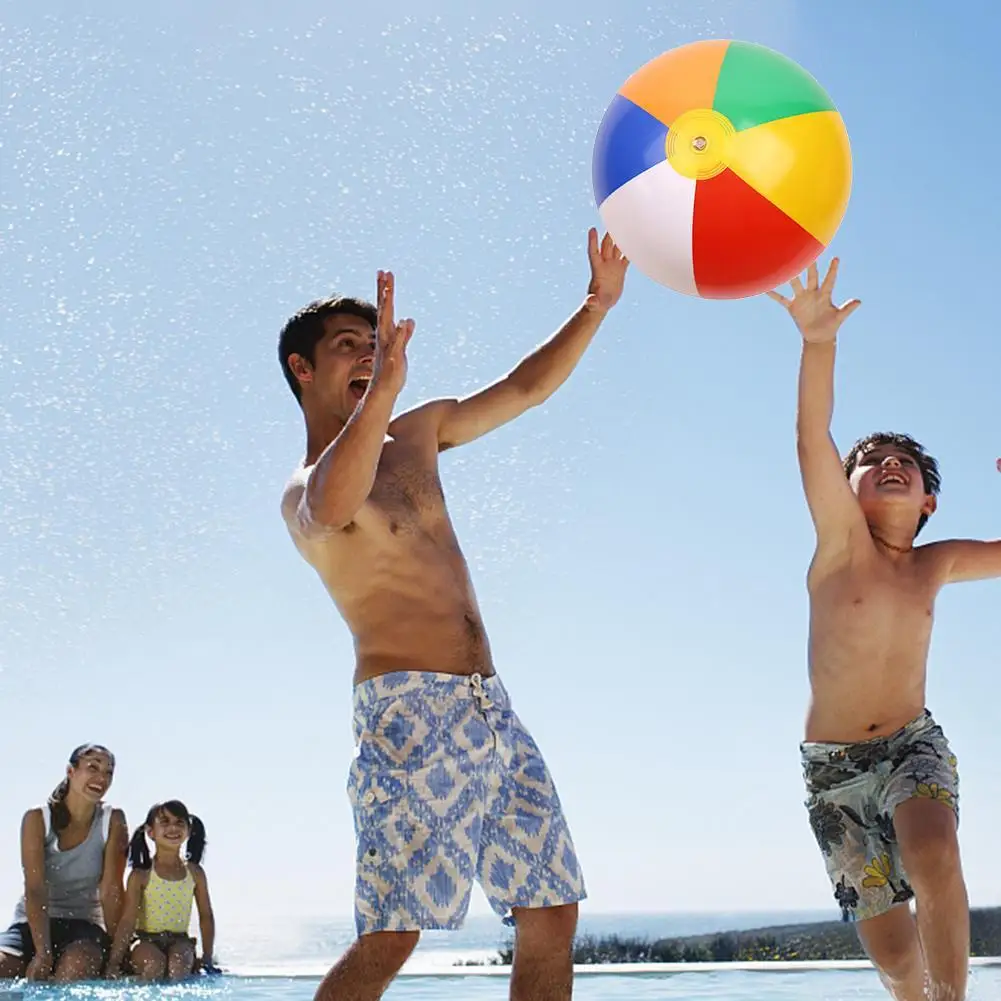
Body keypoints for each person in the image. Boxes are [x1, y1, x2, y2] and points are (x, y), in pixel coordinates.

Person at [278, 228, 628, 1001]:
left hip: (491, 707)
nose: (368, 352)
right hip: (407, 714)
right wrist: (381, 400)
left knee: (550, 908)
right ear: (303, 369)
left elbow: (525, 388)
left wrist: (594, 305)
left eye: (375, 340)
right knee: (393, 932)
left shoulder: (418, 433)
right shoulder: (306, 486)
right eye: (346, 344)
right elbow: (334, 505)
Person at [768, 259, 1001, 1001]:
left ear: (929, 500)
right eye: (871, 462)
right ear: (848, 489)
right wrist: (817, 342)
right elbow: (811, 432)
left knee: (934, 854)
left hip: (911, 745)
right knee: (895, 957)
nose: (889, 464)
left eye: (904, 463)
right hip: (832, 771)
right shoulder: (840, 543)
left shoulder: (934, 562)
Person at [0, 744, 127, 983]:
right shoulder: (37, 818)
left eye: (109, 772)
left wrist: (117, 956)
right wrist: (43, 952)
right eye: (93, 768)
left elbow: (111, 890)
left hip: (84, 926)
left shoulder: (113, 820)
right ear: (70, 772)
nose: (102, 778)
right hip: (31, 924)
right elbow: (35, 889)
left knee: (74, 970)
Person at [106, 800, 216, 982]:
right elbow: (128, 920)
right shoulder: (141, 875)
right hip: (145, 941)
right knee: (154, 964)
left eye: (179, 823)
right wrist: (114, 962)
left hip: (180, 940)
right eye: (165, 822)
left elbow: (206, 916)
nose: (173, 828)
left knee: (178, 966)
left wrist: (207, 958)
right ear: (151, 832)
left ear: (188, 831)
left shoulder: (195, 873)